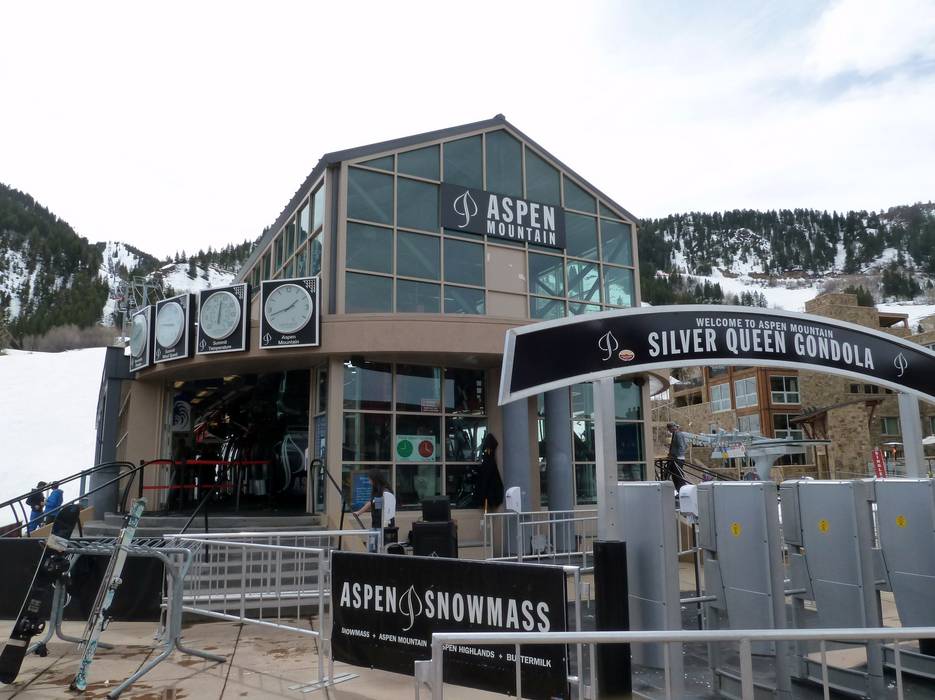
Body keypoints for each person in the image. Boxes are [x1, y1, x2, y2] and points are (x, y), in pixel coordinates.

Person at [353, 469, 394, 551]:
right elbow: (371, 502)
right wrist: (359, 512)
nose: (369, 482)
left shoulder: (385, 491)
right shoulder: (376, 491)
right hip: (375, 523)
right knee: (371, 546)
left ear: (375, 479)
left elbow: (384, 506)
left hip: (383, 525)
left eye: (370, 479)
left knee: (379, 546)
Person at [666, 422, 690, 490]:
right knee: (674, 475)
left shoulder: (678, 434)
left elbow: (682, 446)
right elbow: (685, 445)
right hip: (675, 458)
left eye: (669, 429)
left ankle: (681, 489)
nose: (669, 430)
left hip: (678, 458)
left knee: (678, 476)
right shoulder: (675, 434)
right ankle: (679, 490)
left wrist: (676, 455)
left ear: (672, 428)